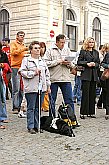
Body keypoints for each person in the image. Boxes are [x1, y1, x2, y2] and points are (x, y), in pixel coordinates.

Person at [19, 41, 51, 134]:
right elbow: (22, 72)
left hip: (42, 88)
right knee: (31, 108)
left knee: (38, 108)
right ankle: (31, 126)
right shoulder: (26, 60)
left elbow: (47, 74)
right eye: (35, 48)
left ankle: (38, 125)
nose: (38, 50)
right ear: (31, 50)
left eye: (38, 48)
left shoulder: (42, 61)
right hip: (31, 87)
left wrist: (48, 85)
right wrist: (33, 73)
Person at [45, 34, 75, 117]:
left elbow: (72, 64)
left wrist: (69, 64)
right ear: (57, 42)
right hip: (54, 78)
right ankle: (52, 117)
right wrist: (58, 61)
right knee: (52, 100)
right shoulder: (50, 50)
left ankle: (72, 118)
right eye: (61, 42)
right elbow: (45, 63)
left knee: (69, 100)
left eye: (64, 42)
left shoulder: (67, 50)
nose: (63, 44)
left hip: (65, 78)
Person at [77, 37, 100, 119]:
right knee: (85, 94)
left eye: (92, 42)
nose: (91, 44)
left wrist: (95, 64)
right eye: (90, 42)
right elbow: (79, 61)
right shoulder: (83, 51)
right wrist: (87, 63)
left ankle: (91, 112)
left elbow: (98, 63)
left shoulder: (96, 52)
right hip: (86, 75)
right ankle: (83, 112)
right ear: (87, 43)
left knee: (92, 94)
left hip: (94, 75)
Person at [10, 31, 28, 114]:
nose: (22, 37)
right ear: (17, 36)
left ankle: (21, 106)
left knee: (22, 89)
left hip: (23, 67)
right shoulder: (13, 44)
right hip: (15, 67)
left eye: (23, 36)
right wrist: (23, 49)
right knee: (16, 88)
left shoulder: (23, 45)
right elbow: (13, 53)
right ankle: (15, 107)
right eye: (21, 36)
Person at [0, 41, 11, 124]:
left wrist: (3, 65)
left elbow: (7, 65)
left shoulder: (3, 54)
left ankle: (3, 116)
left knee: (2, 98)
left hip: (2, 77)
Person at [40, 42, 49, 112]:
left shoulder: (46, 56)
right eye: (40, 47)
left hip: (46, 76)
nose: (41, 49)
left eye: (43, 47)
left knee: (46, 92)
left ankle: (45, 106)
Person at [101, 43, 109, 120]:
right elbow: (103, 63)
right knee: (107, 94)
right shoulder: (108, 54)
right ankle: (108, 112)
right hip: (108, 77)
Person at [97, 45, 106, 109]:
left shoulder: (104, 54)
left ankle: (100, 103)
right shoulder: (99, 54)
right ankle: (102, 103)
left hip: (104, 71)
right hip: (101, 72)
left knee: (104, 89)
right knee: (104, 88)